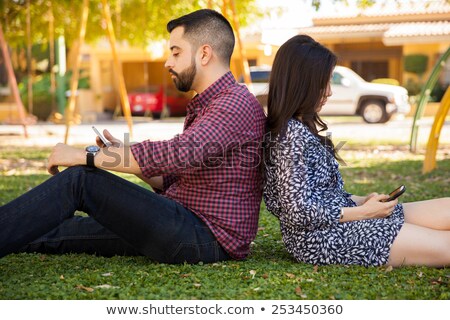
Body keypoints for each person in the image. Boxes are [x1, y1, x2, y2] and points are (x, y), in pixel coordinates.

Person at [0, 9, 266, 264]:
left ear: (204, 54)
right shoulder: (213, 103)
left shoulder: (234, 104)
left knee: (80, 180)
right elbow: (172, 176)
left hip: (203, 235)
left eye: (176, 52)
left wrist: (84, 156)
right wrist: (122, 152)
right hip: (183, 223)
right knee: (61, 231)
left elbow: (177, 153)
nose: (168, 62)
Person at [263, 34, 450, 267]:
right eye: (324, 82)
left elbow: (324, 194)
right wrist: (365, 213)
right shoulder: (289, 134)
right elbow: (298, 212)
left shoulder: (300, 127)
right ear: (303, 82)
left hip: (344, 220)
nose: (329, 92)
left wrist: (363, 201)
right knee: (446, 245)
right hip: (322, 238)